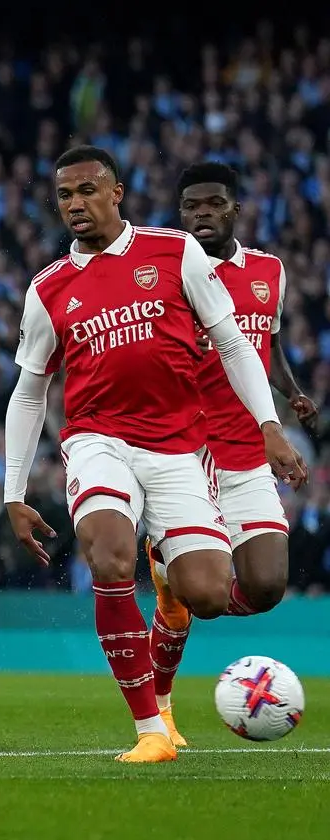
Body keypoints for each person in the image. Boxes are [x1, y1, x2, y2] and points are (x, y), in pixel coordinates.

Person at [3, 146, 306, 763]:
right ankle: (150, 731)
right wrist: (12, 493)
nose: (75, 205)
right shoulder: (49, 287)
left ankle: (169, 582)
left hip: (176, 448)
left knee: (211, 596)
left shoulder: (173, 252)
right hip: (97, 441)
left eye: (87, 190)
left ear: (117, 193)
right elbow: (30, 389)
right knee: (111, 558)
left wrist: (271, 425)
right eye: (64, 195)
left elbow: (233, 341)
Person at [146, 162, 319, 746]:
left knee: (267, 586)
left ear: (234, 210)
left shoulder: (269, 271)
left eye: (213, 204)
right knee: (207, 598)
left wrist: (290, 393)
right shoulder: (167, 272)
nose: (202, 214)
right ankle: (159, 708)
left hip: (247, 448)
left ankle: (178, 583)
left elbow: (262, 343)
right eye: (191, 206)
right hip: (188, 453)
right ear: (180, 213)